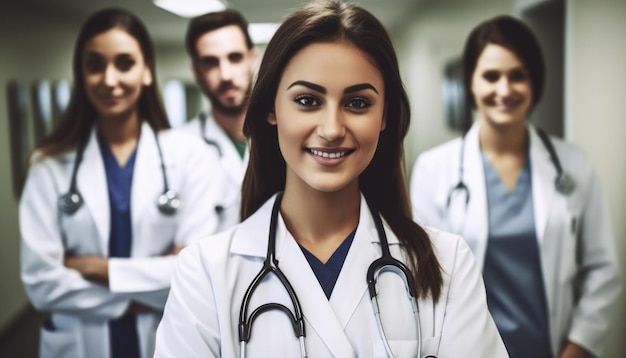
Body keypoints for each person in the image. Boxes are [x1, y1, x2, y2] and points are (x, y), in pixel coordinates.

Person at [154, 1, 508, 356]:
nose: (332, 129)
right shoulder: (205, 272)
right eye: (307, 100)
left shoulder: (447, 262)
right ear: (270, 109)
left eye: (357, 103)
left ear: (385, 115)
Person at [410, 15, 621, 358]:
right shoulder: (434, 170)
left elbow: (601, 269)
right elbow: (425, 277)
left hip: (554, 350)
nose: (504, 90)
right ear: (471, 84)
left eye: (517, 76)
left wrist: (578, 346)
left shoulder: (572, 164)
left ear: (534, 82)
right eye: (491, 76)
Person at [19, 8, 226, 358]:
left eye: (125, 63)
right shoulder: (49, 166)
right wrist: (137, 298)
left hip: (165, 339)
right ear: (81, 74)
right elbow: (42, 283)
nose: (109, 79)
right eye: (95, 65)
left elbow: (197, 273)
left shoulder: (191, 157)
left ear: (147, 71)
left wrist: (97, 268)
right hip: (78, 343)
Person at [178, 9, 258, 230]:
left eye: (235, 58)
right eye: (211, 62)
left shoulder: (283, 137)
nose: (225, 75)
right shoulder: (176, 148)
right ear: (196, 70)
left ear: (252, 58)